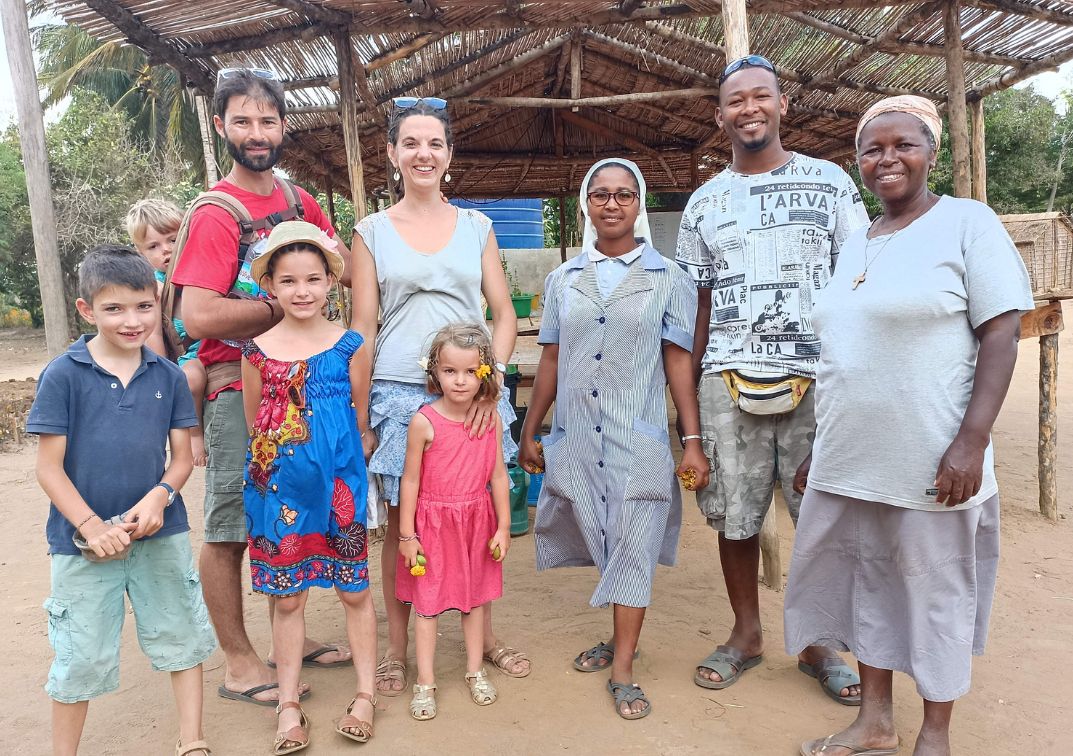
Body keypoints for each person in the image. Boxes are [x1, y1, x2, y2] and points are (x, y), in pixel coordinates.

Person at [787, 96, 1034, 756]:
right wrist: (820, 445)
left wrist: (971, 441)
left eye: (903, 144)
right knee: (865, 585)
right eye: (872, 148)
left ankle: (934, 733)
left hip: (932, 462)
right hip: (850, 460)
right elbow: (842, 354)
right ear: (859, 163)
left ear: (931, 153)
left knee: (932, 596)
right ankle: (873, 722)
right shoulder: (854, 243)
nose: (886, 158)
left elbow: (1001, 333)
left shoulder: (965, 223)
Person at [675, 54, 869, 703]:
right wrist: (690, 424)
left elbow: (857, 290)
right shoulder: (703, 203)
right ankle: (746, 633)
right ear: (720, 115)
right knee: (734, 518)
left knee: (819, 519)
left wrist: (851, 389)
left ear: (783, 105)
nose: (749, 108)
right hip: (726, 378)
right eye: (736, 100)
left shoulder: (830, 184)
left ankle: (820, 643)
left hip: (818, 382)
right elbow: (695, 309)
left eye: (762, 96)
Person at [171, 67, 354, 706]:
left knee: (292, 515)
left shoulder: (300, 202)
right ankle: (240, 661)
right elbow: (197, 316)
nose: (256, 133)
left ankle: (287, 641)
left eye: (267, 121)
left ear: (283, 127)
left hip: (304, 383)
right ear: (221, 126)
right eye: (242, 122)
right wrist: (284, 309)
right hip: (236, 385)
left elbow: (340, 267)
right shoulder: (217, 213)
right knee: (228, 525)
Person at [350, 96, 529, 695]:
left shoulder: (477, 226)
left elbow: (502, 313)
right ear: (393, 154)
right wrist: (362, 415)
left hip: (472, 398)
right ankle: (398, 649)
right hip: (400, 394)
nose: (422, 153)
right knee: (407, 519)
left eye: (434, 143)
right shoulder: (371, 231)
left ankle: (487, 636)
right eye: (411, 143)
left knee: (477, 511)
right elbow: (364, 330)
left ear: (449, 155)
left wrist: (491, 379)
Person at [518, 158, 709, 720]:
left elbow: (679, 361)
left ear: (639, 204)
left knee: (634, 541)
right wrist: (533, 429)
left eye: (624, 195)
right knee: (597, 528)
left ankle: (623, 665)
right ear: (586, 205)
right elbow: (551, 357)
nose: (612, 204)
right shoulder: (562, 281)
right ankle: (621, 635)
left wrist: (690, 437)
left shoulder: (669, 278)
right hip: (577, 436)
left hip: (638, 436)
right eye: (600, 194)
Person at [29, 245, 216, 756]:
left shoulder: (169, 376)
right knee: (80, 654)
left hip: (160, 532)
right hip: (80, 544)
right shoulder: (63, 375)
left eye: (142, 306)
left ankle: (191, 739)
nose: (131, 321)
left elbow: (180, 458)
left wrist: (160, 498)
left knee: (181, 635)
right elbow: (48, 468)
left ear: (158, 303)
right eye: (114, 308)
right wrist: (90, 526)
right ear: (87, 310)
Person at [241, 221, 377, 752]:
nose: (302, 291)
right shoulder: (256, 351)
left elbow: (357, 418)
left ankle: (365, 694)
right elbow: (256, 424)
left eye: (314, 279)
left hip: (339, 487)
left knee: (354, 589)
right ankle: (289, 703)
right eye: (289, 280)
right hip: (278, 495)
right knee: (289, 598)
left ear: (328, 282)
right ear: (270, 286)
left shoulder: (350, 346)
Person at [395, 324, 512, 720]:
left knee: (475, 602)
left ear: (483, 373)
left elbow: (498, 475)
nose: (459, 381)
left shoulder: (489, 421)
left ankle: (475, 671)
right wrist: (407, 536)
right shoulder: (424, 422)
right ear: (435, 373)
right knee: (427, 607)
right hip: (432, 527)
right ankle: (425, 683)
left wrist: (503, 526)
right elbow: (409, 480)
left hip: (477, 524)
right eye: (449, 371)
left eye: (468, 371)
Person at [126, 198, 208, 466]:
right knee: (190, 378)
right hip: (188, 354)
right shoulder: (155, 287)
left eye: (173, 240)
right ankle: (194, 435)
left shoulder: (202, 269)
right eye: (154, 246)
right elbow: (154, 337)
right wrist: (161, 375)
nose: (166, 250)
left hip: (218, 347)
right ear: (141, 253)